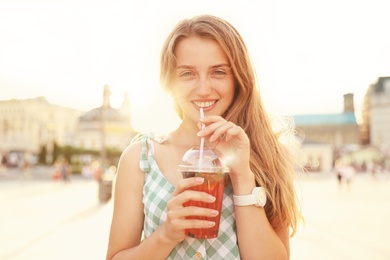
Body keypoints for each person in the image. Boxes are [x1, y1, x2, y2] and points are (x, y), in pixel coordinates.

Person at [106, 14, 302, 260]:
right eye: (187, 74)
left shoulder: (268, 154)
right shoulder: (140, 157)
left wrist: (242, 174)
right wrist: (166, 234)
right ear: (171, 82)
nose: (203, 89)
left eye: (218, 72)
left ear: (238, 79)